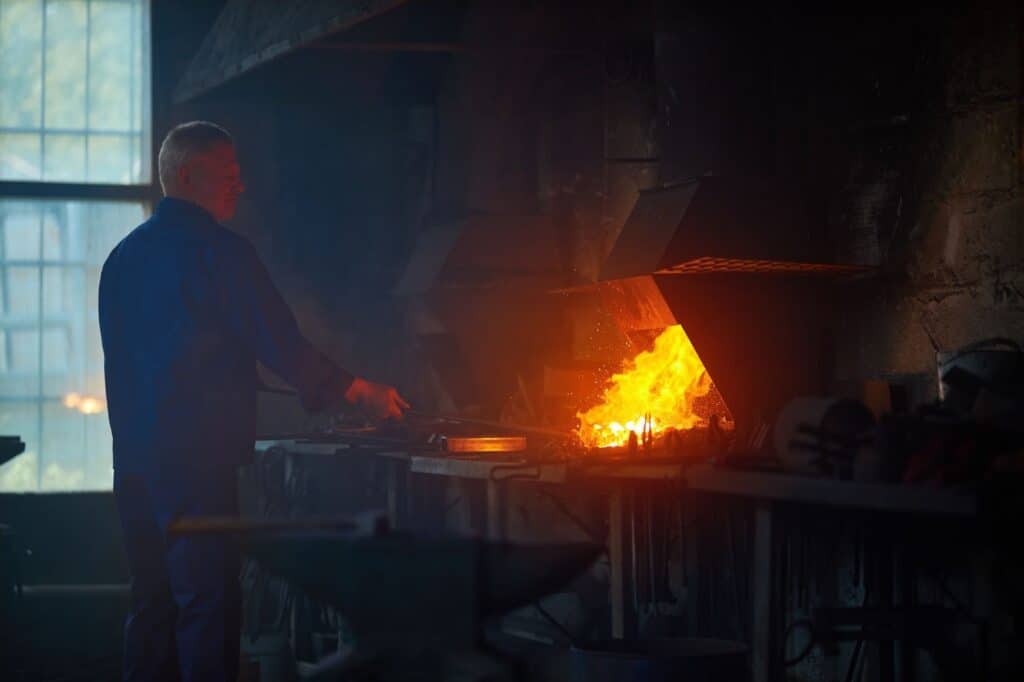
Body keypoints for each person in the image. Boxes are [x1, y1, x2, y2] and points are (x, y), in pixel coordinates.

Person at [99, 121, 409, 682]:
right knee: (208, 603)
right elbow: (280, 343)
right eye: (229, 175)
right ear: (187, 175)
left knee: (152, 602)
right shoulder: (222, 253)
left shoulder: (121, 258)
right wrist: (359, 391)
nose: (240, 188)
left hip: (134, 467)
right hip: (196, 466)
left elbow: (157, 359)